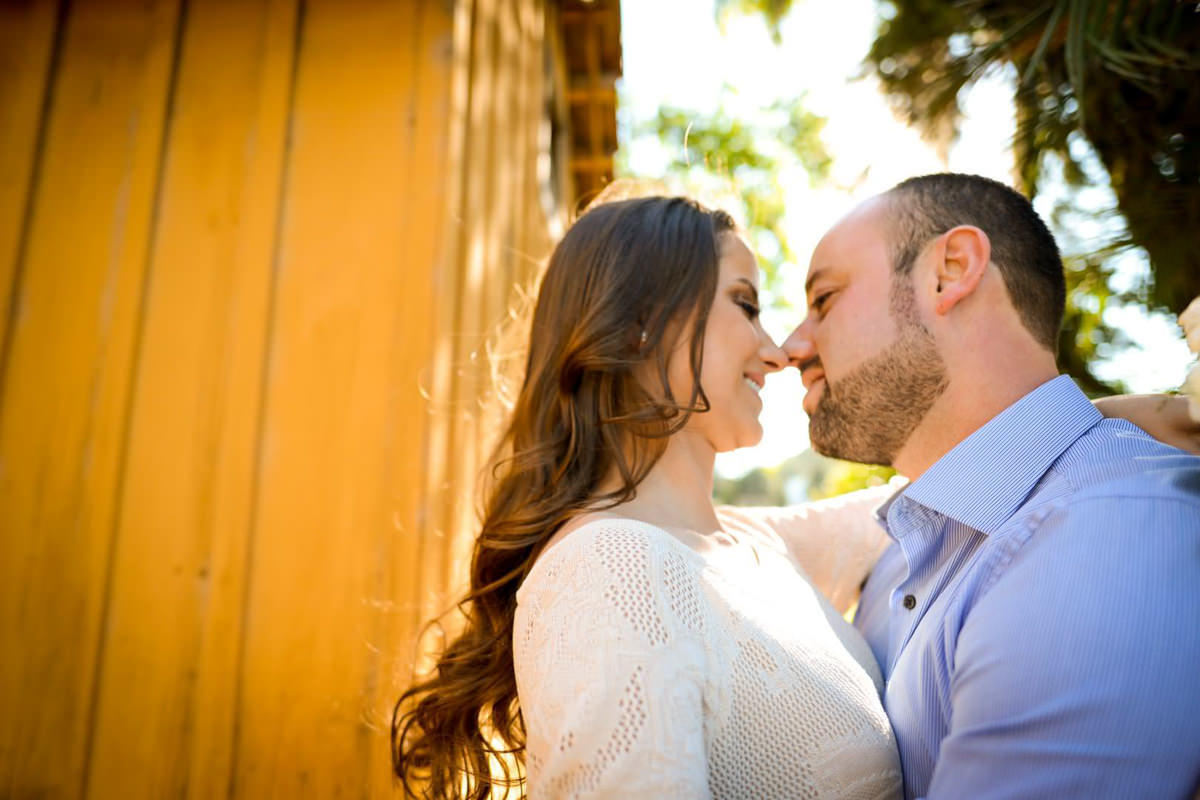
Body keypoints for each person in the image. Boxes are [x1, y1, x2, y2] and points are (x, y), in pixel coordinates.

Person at [392, 194, 906, 799]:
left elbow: (919, 497)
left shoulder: (751, 544)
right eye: (744, 304)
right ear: (641, 322)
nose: (776, 353)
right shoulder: (608, 568)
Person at [769, 173, 1200, 799]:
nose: (791, 347)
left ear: (951, 270)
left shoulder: (1109, 529)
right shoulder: (897, 553)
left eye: (825, 298)